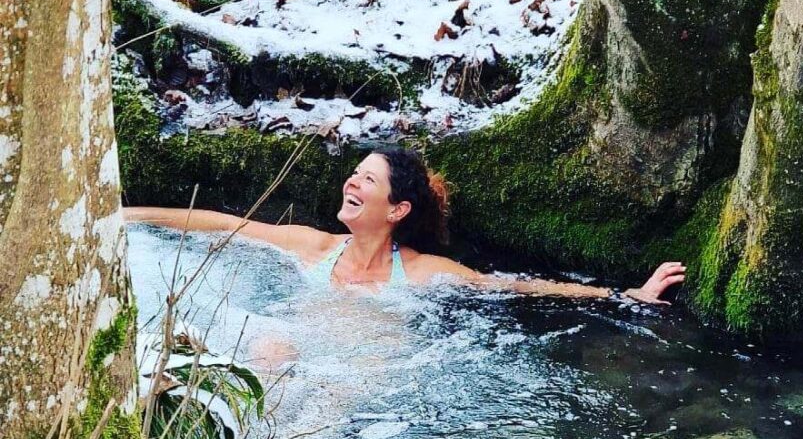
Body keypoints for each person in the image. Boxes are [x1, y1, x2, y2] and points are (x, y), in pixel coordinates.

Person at [124, 147, 685, 302]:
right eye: (354, 174)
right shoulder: (314, 248)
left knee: (328, 397)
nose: (352, 182)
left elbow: (513, 286)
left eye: (368, 180)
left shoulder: (419, 272)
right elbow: (220, 225)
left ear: (397, 211)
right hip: (301, 340)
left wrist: (624, 295)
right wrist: (124, 216)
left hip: (362, 366)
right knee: (270, 349)